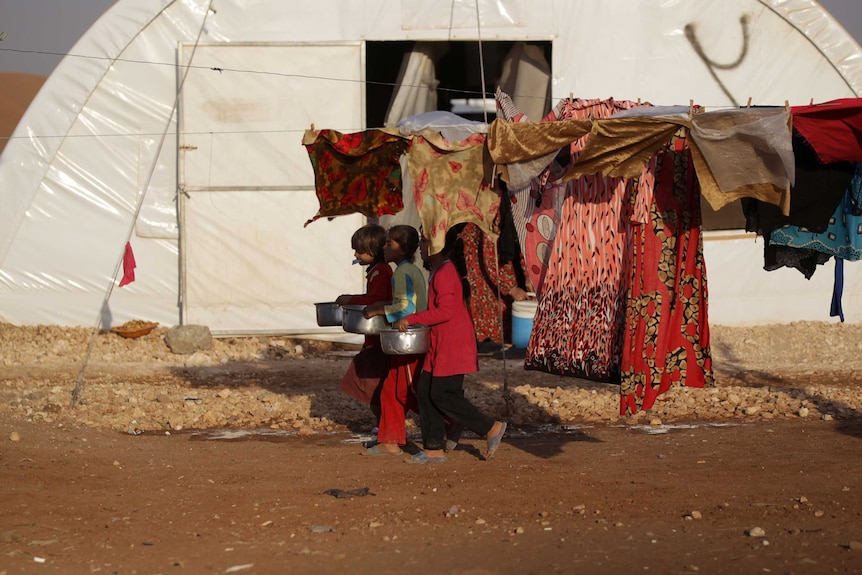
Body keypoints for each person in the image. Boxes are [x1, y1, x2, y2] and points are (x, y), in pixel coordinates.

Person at [395, 224, 507, 463]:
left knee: (441, 394)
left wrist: (411, 319)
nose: (422, 246)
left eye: (426, 242)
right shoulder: (438, 271)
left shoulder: (445, 272)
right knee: (425, 392)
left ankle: (490, 427)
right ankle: (434, 446)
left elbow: (443, 312)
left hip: (452, 344)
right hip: (441, 343)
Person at [362, 225, 428, 455]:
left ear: (402, 249)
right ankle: (390, 440)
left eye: (390, 243)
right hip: (410, 337)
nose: (385, 247)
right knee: (393, 390)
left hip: (408, 339)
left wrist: (378, 309)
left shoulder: (402, 272)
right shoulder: (410, 269)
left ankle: (453, 422)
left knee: (404, 391)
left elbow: (405, 306)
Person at [335, 224, 393, 423]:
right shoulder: (377, 270)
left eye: (359, 251)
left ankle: (385, 426)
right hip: (375, 339)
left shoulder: (381, 272)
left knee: (373, 385)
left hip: (379, 340)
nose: (356, 255)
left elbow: (375, 299)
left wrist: (350, 299)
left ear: (372, 252)